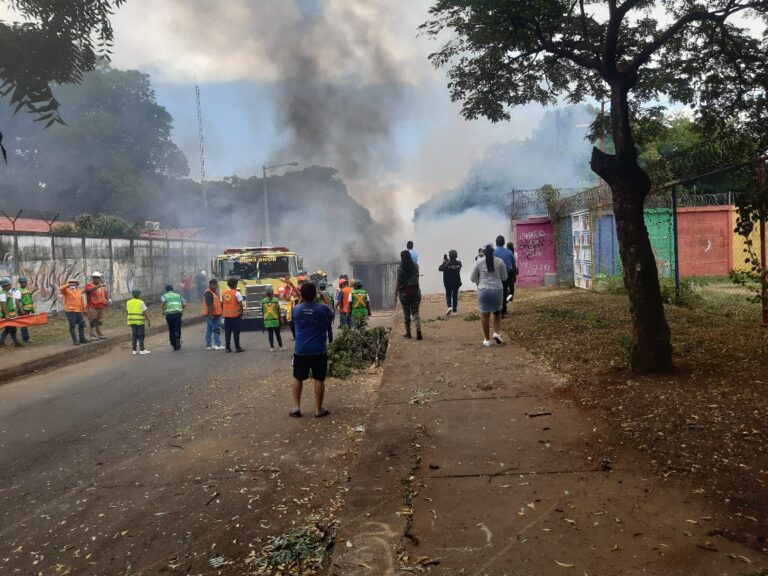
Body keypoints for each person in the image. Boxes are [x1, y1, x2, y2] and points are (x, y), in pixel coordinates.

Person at [290, 282, 335, 418]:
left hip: (301, 350)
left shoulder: (296, 310)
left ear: (302, 295)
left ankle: (296, 408)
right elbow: (332, 315)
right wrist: (325, 300)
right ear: (315, 294)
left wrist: (302, 298)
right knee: (319, 379)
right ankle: (318, 409)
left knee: (298, 378)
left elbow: (297, 310)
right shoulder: (322, 309)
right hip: (319, 350)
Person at [470, 245, 508, 347]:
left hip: (484, 291)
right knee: (497, 313)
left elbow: (472, 278)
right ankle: (496, 332)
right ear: (493, 251)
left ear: (483, 251)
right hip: (497, 291)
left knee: (484, 315)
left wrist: (480, 281)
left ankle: (487, 340)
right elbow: (504, 277)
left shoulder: (478, 262)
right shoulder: (500, 261)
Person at [395, 250, 422, 340]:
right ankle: (418, 330)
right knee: (415, 312)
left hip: (404, 294)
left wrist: (395, 293)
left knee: (406, 313)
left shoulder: (400, 268)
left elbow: (398, 282)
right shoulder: (415, 266)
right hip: (415, 292)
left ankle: (408, 333)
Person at [60, 278, 88, 346]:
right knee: (72, 325)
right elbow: (61, 289)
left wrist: (84, 310)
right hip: (70, 311)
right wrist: (68, 285)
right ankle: (75, 340)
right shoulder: (66, 290)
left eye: (74, 283)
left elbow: (81, 301)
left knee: (81, 324)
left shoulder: (78, 291)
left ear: (77, 284)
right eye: (71, 283)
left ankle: (82, 338)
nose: (73, 284)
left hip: (79, 311)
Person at [494, 236, 517, 317]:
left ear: (496, 242)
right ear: (504, 243)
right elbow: (513, 263)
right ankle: (503, 310)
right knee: (504, 291)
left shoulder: (494, 252)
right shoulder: (509, 252)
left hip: (497, 274)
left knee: (498, 292)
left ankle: (499, 310)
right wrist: (514, 276)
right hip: (508, 274)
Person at [222, 277, 245, 353]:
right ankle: (237, 348)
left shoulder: (224, 293)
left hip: (226, 316)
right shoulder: (237, 293)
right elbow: (241, 305)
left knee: (227, 333)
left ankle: (227, 348)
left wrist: (223, 311)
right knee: (236, 333)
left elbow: (221, 303)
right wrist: (241, 312)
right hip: (235, 316)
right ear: (235, 285)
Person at [84, 271, 109, 340]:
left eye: (97, 278)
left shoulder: (102, 287)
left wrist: (108, 299)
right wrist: (98, 286)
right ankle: (92, 335)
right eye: (94, 278)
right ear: (92, 278)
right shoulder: (89, 285)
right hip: (92, 306)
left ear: (100, 278)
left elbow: (105, 294)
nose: (96, 279)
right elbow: (88, 290)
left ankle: (99, 334)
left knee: (99, 321)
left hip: (101, 306)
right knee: (92, 321)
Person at [161, 284, 186, 351]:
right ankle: (178, 336)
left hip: (169, 315)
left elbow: (163, 303)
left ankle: (173, 344)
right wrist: (181, 309)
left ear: (166, 290)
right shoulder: (178, 295)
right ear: (172, 289)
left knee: (171, 329)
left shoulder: (164, 296)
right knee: (178, 327)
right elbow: (184, 303)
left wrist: (163, 311)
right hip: (178, 314)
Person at [127, 288, 151, 355]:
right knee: (141, 335)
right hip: (140, 322)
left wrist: (128, 321)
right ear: (139, 294)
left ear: (132, 294)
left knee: (134, 335)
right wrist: (148, 321)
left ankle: (134, 350)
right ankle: (142, 350)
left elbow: (127, 312)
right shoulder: (141, 302)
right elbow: (144, 313)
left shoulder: (128, 302)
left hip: (132, 321)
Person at [439, 250, 463, 316]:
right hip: (456, 282)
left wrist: (444, 262)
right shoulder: (459, 263)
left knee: (448, 295)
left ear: (449, 256)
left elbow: (440, 269)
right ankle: (455, 310)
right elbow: (458, 265)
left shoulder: (446, 263)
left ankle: (449, 307)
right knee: (455, 295)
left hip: (448, 282)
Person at [202, 278, 224, 350]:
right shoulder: (208, 293)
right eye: (213, 285)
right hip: (212, 315)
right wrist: (211, 314)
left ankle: (209, 345)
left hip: (216, 314)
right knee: (216, 329)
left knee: (210, 329)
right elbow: (209, 305)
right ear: (209, 285)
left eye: (216, 285)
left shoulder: (213, 292)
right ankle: (217, 344)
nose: (215, 287)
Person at [261, 285, 285, 352]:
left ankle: (272, 348)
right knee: (277, 333)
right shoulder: (276, 300)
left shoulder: (263, 301)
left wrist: (263, 319)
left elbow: (262, 311)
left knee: (270, 334)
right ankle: (281, 347)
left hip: (267, 320)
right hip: (275, 320)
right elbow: (278, 310)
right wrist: (281, 318)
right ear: (272, 292)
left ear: (266, 293)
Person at [0, 278, 22, 347]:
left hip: (11, 314)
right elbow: (3, 305)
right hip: (7, 314)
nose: (10, 286)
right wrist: (6, 314)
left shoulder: (8, 293)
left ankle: (15, 342)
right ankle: (1, 342)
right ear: (4, 286)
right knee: (9, 328)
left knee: (12, 328)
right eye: (8, 285)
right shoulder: (3, 294)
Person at [16, 276, 36, 343]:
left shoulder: (26, 290)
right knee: (23, 324)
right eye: (24, 282)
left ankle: (25, 338)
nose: (25, 283)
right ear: (20, 283)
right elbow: (17, 301)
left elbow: (30, 300)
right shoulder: (18, 291)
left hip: (28, 309)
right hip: (23, 310)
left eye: (26, 282)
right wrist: (21, 310)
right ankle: (25, 338)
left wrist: (32, 309)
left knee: (26, 324)